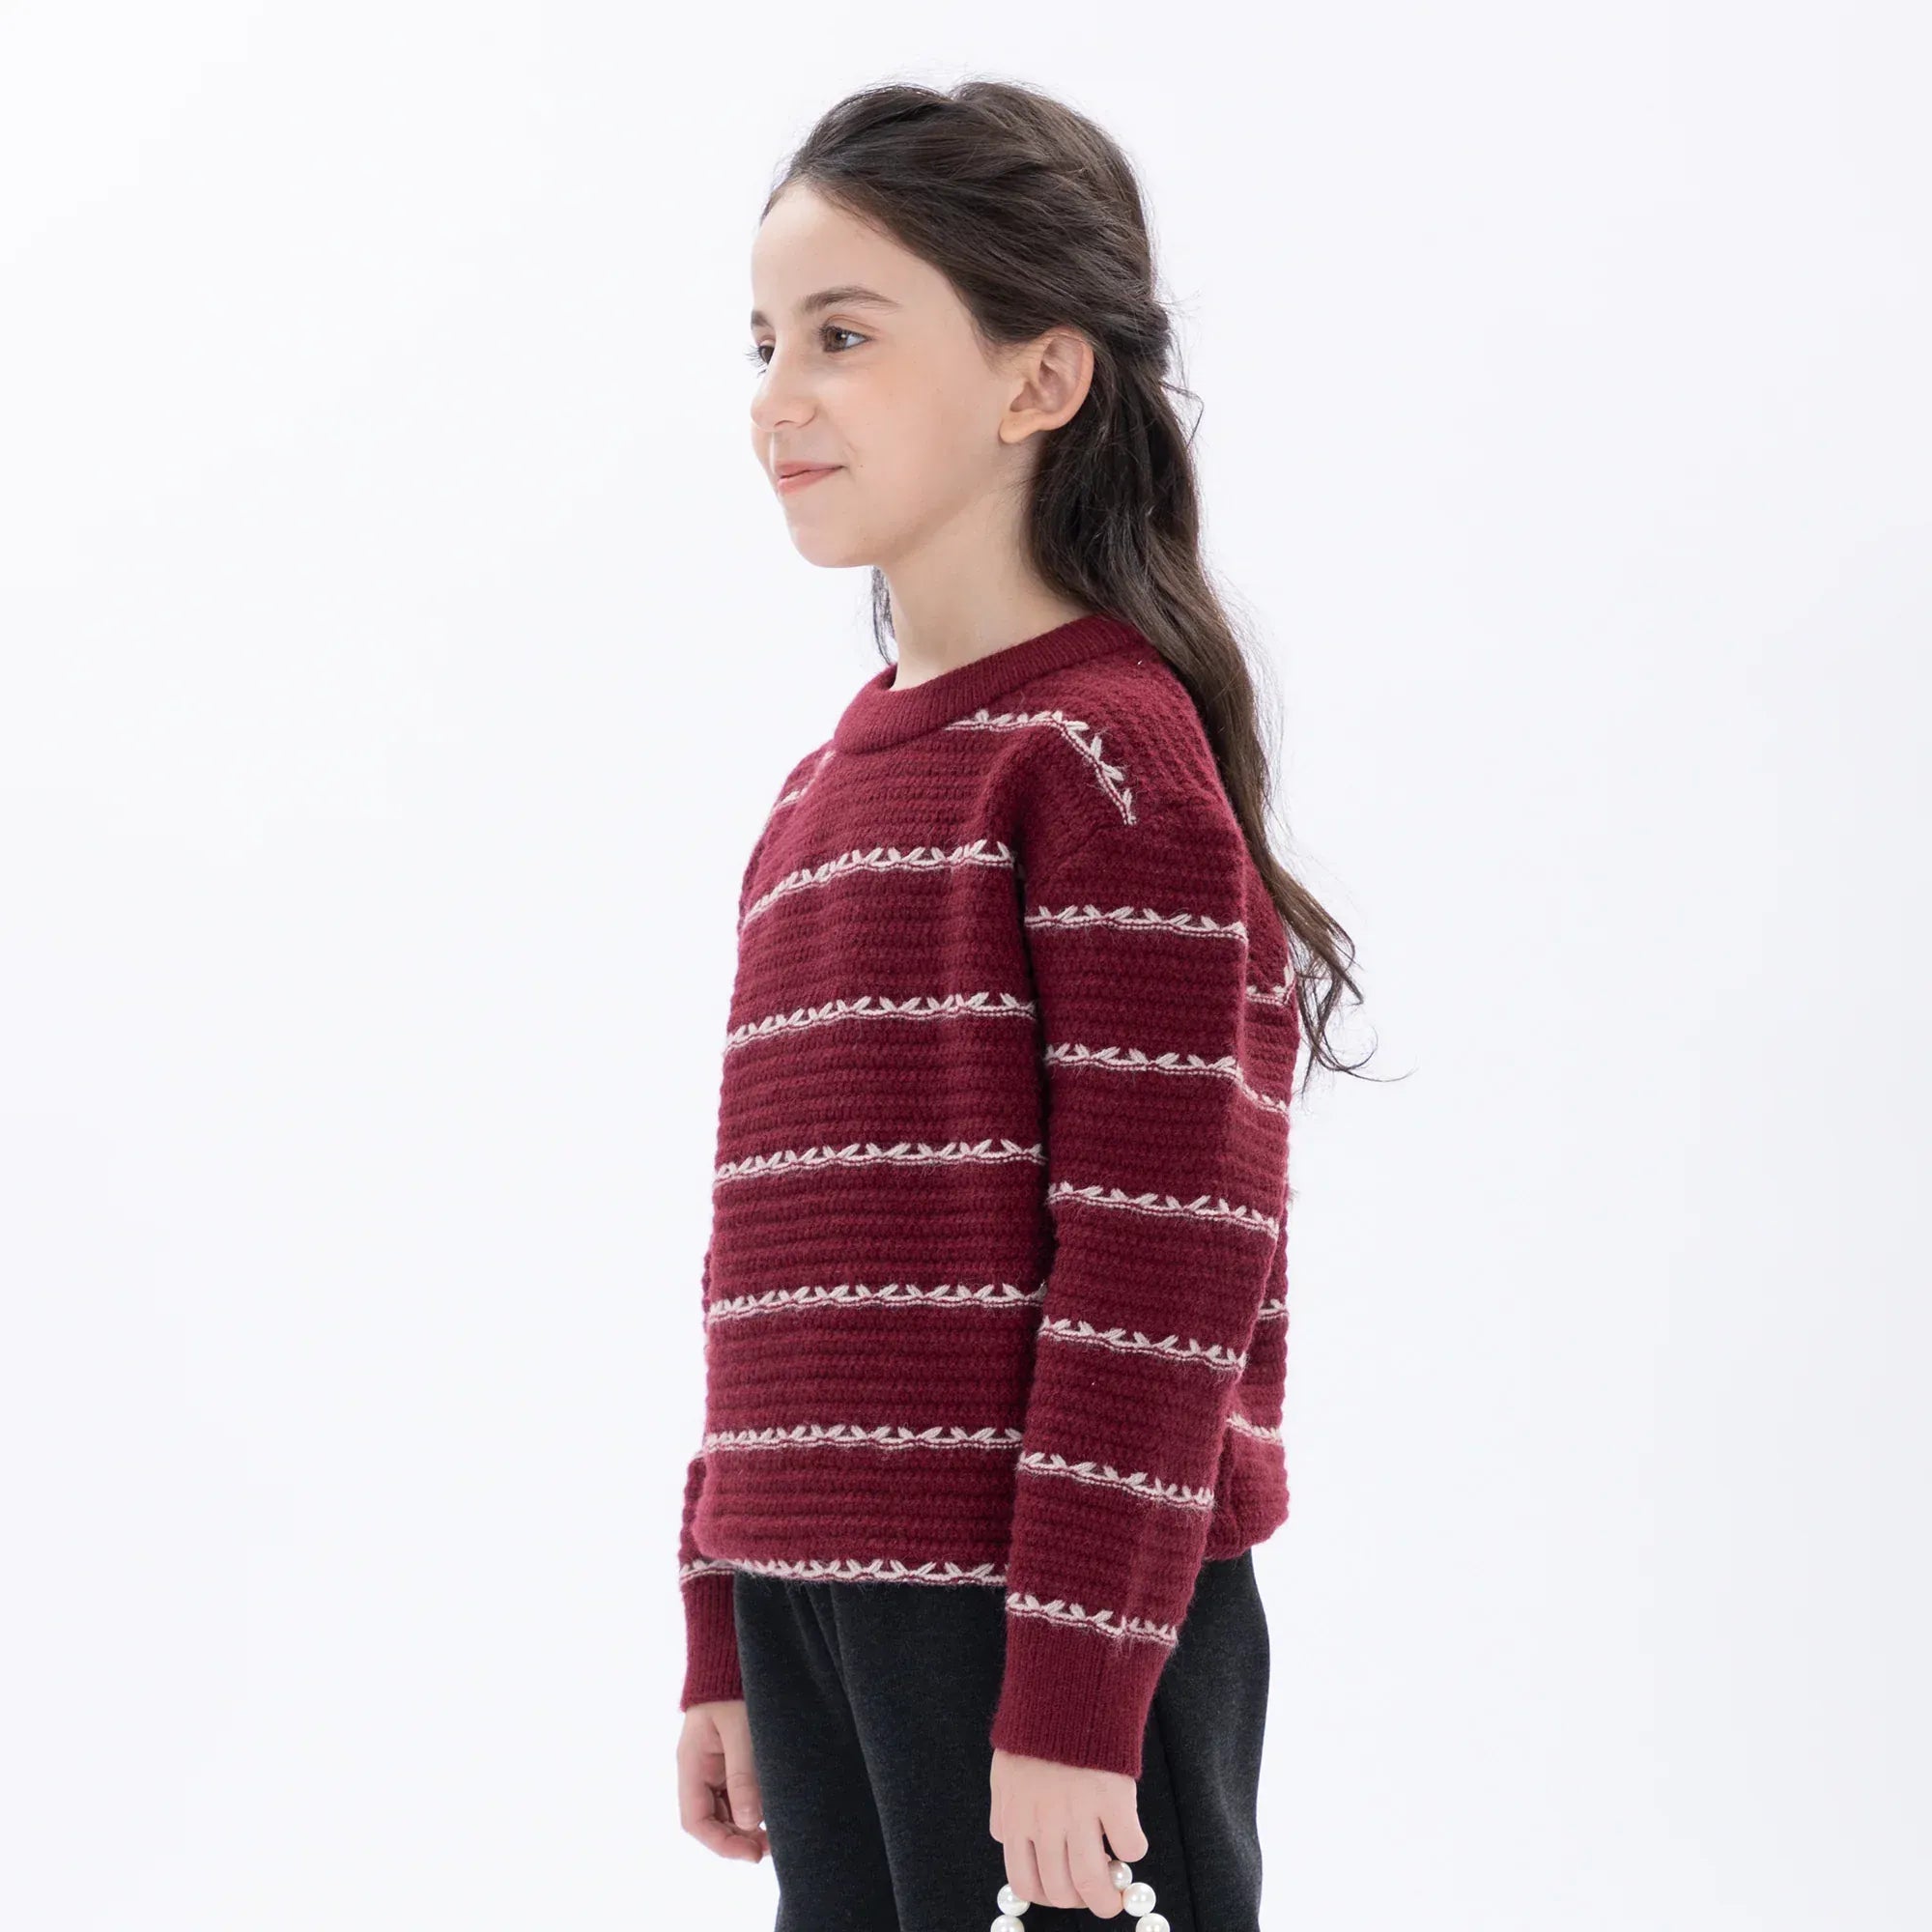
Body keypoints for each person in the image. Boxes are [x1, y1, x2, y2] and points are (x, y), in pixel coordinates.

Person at [672, 77, 1365, 1932]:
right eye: (763, 343)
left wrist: (1074, 1695)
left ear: (1040, 378)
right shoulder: (815, 799)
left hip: (1046, 1637)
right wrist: (724, 1619)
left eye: (843, 336)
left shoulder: (1103, 764)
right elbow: (766, 1258)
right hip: (821, 1614)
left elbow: (1163, 1268)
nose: (778, 398)